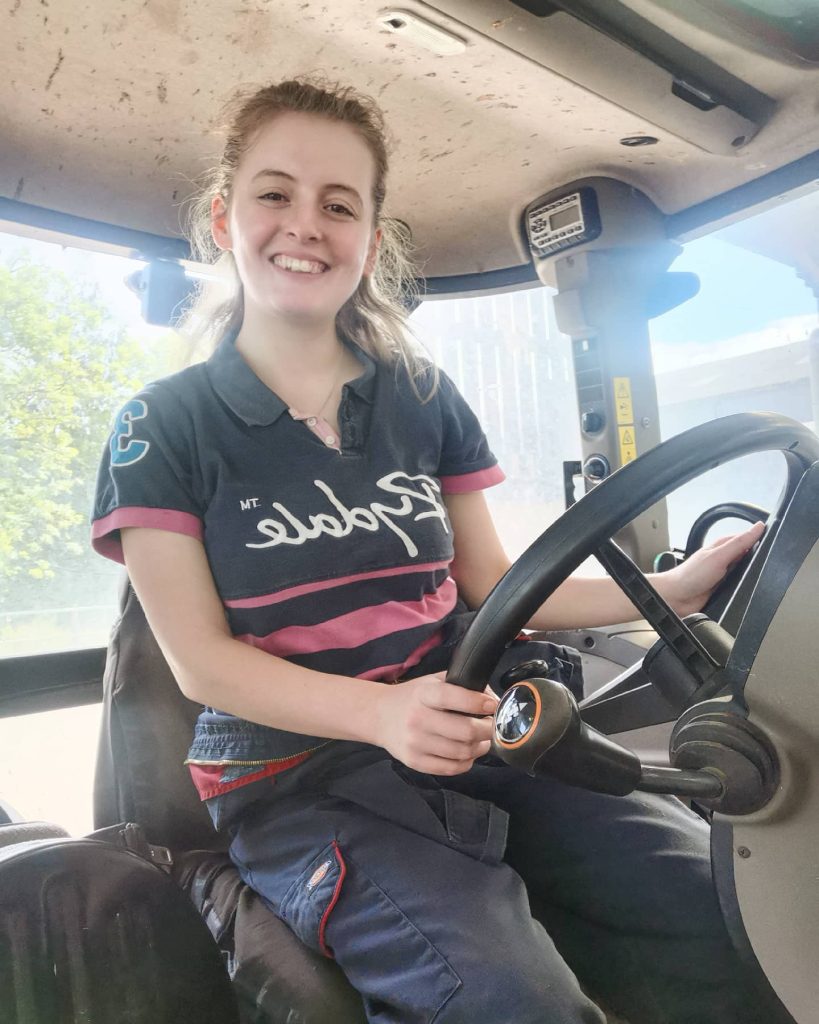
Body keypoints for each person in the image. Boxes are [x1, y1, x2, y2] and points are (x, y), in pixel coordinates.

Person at [91, 78, 777, 1024]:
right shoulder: (162, 427)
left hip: (467, 728)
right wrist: (380, 715)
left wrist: (674, 589)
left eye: (340, 205)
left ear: (370, 239)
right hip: (296, 778)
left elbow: (492, 585)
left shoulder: (420, 397)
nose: (306, 225)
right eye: (275, 194)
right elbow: (201, 664)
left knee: (735, 914)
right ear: (224, 218)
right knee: (506, 999)